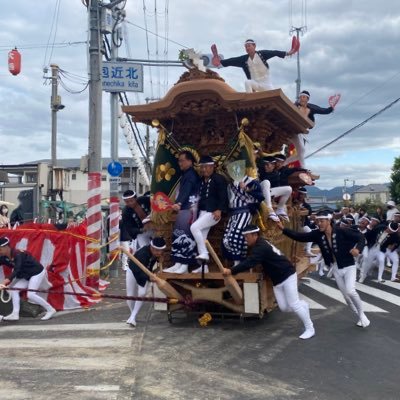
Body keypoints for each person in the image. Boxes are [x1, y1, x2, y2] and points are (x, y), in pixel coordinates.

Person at [279, 210, 370, 328]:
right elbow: (300, 237)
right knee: (346, 298)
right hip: (336, 268)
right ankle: (358, 316)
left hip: (349, 266)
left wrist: (358, 249)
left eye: (322, 221)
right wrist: (283, 229)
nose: (319, 223)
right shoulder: (318, 235)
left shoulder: (342, 231)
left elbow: (360, 237)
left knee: (350, 291)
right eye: (317, 221)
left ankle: (362, 315)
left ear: (329, 220)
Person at [222, 224, 315, 340]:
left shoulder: (260, 247)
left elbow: (250, 262)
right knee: (284, 308)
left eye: (247, 237)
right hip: (277, 280)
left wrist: (231, 270)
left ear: (255, 235)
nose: (246, 240)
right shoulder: (259, 244)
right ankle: (303, 306)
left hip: (287, 274)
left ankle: (310, 328)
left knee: (294, 304)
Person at [211, 38, 298, 93]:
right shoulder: (243, 59)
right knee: (247, 82)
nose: (247, 48)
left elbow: (274, 52)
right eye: (246, 47)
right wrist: (220, 62)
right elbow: (232, 61)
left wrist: (290, 52)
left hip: (266, 84)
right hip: (255, 84)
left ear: (254, 46)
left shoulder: (262, 54)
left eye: (249, 46)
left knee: (273, 96)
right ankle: (251, 99)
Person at [0, 237, 56, 321]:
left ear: (6, 247)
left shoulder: (18, 254)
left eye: (0, 249)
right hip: (26, 275)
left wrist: (6, 281)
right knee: (13, 290)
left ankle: (50, 309)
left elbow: (17, 270)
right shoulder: (3, 257)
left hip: (36, 272)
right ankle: (15, 314)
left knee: (31, 294)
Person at [164, 151, 200, 274]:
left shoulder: (191, 175)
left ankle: (184, 265)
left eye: (182, 160)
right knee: (178, 235)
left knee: (185, 237)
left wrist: (178, 203)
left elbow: (186, 190)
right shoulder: (185, 174)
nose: (180, 163)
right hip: (184, 209)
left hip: (189, 209)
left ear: (190, 161)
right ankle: (177, 263)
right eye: (179, 160)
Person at [190, 156, 228, 267]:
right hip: (202, 212)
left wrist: (220, 209)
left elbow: (223, 196)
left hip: (213, 213)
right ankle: (204, 267)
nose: (203, 169)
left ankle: (204, 254)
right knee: (201, 238)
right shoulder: (201, 181)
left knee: (194, 228)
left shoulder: (218, 179)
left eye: (206, 167)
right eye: (202, 167)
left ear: (212, 167)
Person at [285, 90, 340, 167]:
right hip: (292, 130)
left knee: (301, 152)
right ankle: (299, 167)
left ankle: (285, 164)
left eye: (304, 97)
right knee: (297, 151)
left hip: (302, 132)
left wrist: (331, 108)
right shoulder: (295, 106)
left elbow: (323, 110)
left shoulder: (311, 108)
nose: (301, 98)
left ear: (307, 99)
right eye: (300, 97)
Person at [222, 174, 264, 265]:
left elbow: (260, 196)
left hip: (244, 212)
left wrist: (246, 189)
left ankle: (239, 262)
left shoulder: (251, 181)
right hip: (233, 213)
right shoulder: (230, 184)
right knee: (226, 239)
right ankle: (235, 260)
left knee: (236, 236)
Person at [126, 237, 166, 327]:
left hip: (146, 273)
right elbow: (136, 269)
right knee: (130, 295)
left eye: (160, 251)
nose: (158, 253)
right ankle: (133, 315)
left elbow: (151, 267)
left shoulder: (157, 255)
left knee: (142, 293)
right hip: (133, 271)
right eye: (156, 250)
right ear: (151, 248)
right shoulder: (143, 253)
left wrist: (155, 270)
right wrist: (149, 277)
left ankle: (133, 317)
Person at [120, 190, 152, 271]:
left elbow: (155, 206)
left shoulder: (145, 200)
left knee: (158, 245)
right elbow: (129, 228)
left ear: (136, 198)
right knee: (145, 249)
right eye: (127, 202)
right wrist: (141, 230)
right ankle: (146, 268)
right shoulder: (125, 212)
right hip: (141, 232)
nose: (130, 203)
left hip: (155, 227)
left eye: (131, 200)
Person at [259, 156, 292, 221]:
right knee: (266, 182)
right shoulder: (260, 171)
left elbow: (275, 188)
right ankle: (269, 210)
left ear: (273, 165)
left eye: (268, 165)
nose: (266, 166)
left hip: (268, 193)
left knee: (289, 189)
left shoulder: (275, 174)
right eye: (265, 164)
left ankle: (280, 209)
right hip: (259, 191)